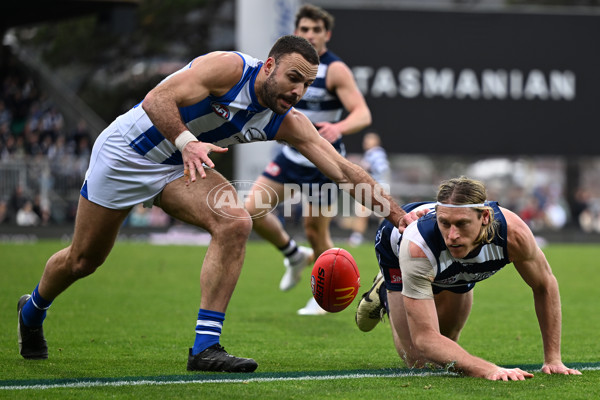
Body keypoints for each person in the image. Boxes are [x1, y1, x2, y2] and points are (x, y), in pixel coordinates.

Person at [17, 35, 407, 373]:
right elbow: (158, 99)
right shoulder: (229, 68)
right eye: (292, 78)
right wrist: (187, 143)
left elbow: (343, 170)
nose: (297, 92)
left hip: (178, 167)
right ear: (269, 66)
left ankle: (205, 347)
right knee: (84, 261)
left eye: (306, 85)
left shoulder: (287, 121)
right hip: (126, 156)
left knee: (235, 221)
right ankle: (32, 311)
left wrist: (398, 215)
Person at [355, 176, 581, 381]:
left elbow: (545, 285)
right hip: (401, 256)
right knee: (419, 362)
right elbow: (425, 338)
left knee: (448, 345)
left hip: (459, 267)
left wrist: (553, 359)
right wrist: (489, 369)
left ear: (484, 217)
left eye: (461, 224)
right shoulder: (417, 245)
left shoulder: (513, 234)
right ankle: (385, 291)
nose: (452, 236)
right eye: (444, 223)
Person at [244, 4, 372, 315]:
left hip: (322, 164)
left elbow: (363, 113)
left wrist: (338, 127)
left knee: (316, 232)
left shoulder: (335, 70)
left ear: (326, 34)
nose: (310, 35)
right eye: (305, 29)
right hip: (291, 156)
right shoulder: (285, 65)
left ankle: (323, 298)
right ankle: (292, 255)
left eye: (316, 30)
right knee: (251, 210)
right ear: (296, 33)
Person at [348, 132, 390, 246]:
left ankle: (357, 237)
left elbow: (382, 169)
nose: (365, 142)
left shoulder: (376, 153)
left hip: (374, 188)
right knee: (378, 215)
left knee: (365, 213)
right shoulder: (371, 153)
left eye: (369, 140)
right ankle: (385, 237)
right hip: (375, 187)